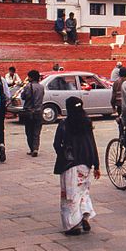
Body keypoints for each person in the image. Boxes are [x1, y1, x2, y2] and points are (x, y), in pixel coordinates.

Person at [54, 97, 100, 235]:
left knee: (70, 196)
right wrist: (96, 165)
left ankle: (73, 225)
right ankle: (84, 216)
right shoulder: (87, 123)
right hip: (85, 164)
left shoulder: (64, 124)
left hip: (70, 164)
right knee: (83, 192)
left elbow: (57, 144)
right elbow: (92, 143)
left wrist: (62, 154)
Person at [21, 70, 45, 157]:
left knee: (29, 131)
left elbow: (23, 97)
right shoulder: (41, 87)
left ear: (31, 77)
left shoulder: (28, 86)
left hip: (29, 111)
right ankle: (36, 148)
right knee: (36, 132)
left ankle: (32, 149)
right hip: (39, 111)